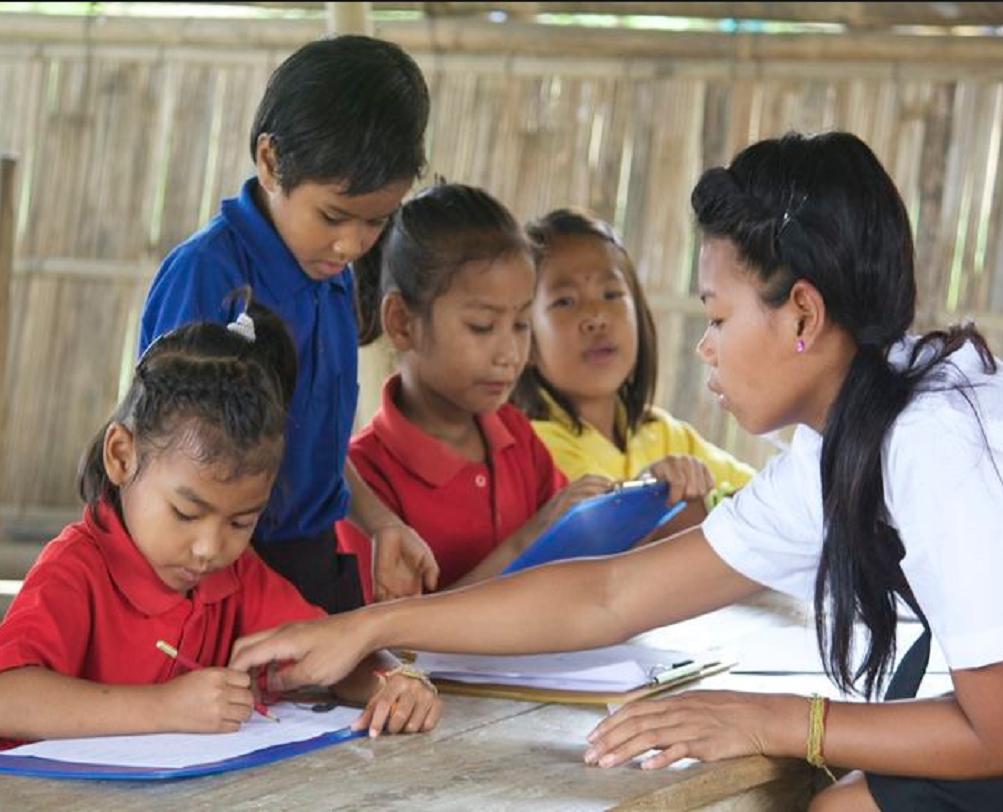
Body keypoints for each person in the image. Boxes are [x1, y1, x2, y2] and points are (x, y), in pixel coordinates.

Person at [232, 132, 1003, 811]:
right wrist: (372, 623)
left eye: (717, 316)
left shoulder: (933, 444)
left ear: (801, 314)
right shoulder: (850, 440)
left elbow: (992, 734)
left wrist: (771, 718)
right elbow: (609, 594)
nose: (705, 347)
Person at [0, 294, 441, 753]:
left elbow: (329, 651)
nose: (209, 548)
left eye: (241, 522)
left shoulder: (236, 577)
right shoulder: (77, 569)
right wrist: (164, 708)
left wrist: (392, 679)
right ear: (121, 456)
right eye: (186, 513)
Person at [138, 35, 439, 611]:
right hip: (214, 573)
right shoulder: (209, 273)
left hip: (311, 560)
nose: (351, 243)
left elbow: (314, 446)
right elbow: (165, 457)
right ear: (271, 162)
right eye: (332, 215)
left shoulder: (334, 276)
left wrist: (381, 525)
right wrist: (237, 582)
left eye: (376, 222)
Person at [338, 184, 612, 594]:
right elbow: (392, 639)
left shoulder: (516, 437)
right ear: (401, 322)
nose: (510, 353)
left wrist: (643, 498)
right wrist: (527, 540)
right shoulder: (364, 481)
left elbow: (574, 564)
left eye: (521, 324)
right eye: (482, 326)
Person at [512, 208, 754, 527]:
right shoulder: (533, 446)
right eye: (565, 301)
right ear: (524, 332)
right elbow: (606, 537)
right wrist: (651, 495)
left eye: (611, 294)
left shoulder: (663, 431)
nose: (596, 317)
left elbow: (758, 492)